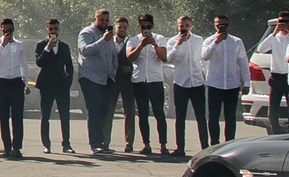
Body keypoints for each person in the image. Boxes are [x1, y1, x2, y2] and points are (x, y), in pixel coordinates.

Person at [122, 14, 168, 154]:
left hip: (155, 80)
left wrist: (154, 45)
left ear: (152, 26)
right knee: (142, 113)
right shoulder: (134, 40)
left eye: (148, 27)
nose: (145, 30)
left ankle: (163, 145)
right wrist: (141, 45)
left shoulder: (160, 39)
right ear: (139, 27)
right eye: (143, 27)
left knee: (159, 112)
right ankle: (146, 144)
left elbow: (164, 58)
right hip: (139, 80)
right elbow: (130, 58)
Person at [200, 15, 248, 146]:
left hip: (232, 83)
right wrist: (216, 42)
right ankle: (215, 143)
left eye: (224, 25)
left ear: (228, 25)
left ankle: (229, 143)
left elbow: (243, 62)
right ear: (214, 25)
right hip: (214, 83)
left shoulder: (236, 41)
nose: (221, 27)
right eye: (218, 25)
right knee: (213, 116)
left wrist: (247, 83)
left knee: (230, 117)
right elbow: (204, 56)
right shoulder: (209, 41)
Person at [76, 10, 118, 155]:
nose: (104, 23)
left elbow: (113, 55)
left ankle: (102, 143)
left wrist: (113, 71)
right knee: (94, 110)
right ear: (95, 19)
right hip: (90, 77)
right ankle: (95, 144)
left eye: (106, 20)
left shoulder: (108, 35)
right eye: (101, 20)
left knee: (104, 111)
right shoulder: (86, 33)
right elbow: (85, 50)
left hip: (106, 78)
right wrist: (103, 40)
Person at [0, 17, 29, 158]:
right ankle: (6, 148)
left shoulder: (19, 45)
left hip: (16, 82)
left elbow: (23, 64)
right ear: (1, 29)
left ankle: (17, 147)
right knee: (3, 116)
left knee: (17, 117)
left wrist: (26, 83)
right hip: (2, 83)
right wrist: (3, 44)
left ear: (13, 29)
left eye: (9, 29)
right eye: (5, 30)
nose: (7, 32)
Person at [165, 14, 204, 157]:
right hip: (181, 82)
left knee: (200, 116)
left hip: (197, 82)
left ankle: (205, 146)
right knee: (180, 116)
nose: (184, 28)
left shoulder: (199, 40)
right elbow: (169, 58)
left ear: (191, 26)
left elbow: (202, 59)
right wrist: (179, 43)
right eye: (181, 26)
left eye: (187, 25)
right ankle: (180, 147)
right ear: (178, 26)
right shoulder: (172, 41)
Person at [33, 19, 74, 152]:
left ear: (59, 30)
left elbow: (69, 67)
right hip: (46, 85)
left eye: (55, 29)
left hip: (61, 85)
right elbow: (39, 63)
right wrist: (48, 48)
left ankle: (66, 144)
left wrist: (67, 82)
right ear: (46, 30)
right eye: (50, 29)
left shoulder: (64, 47)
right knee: (45, 115)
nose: (53, 32)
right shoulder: (40, 45)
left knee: (65, 116)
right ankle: (46, 145)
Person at [262, 15, 289, 134]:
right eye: (280, 22)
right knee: (273, 108)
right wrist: (274, 33)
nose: (282, 24)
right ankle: (275, 132)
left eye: (285, 22)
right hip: (276, 76)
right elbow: (261, 48)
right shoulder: (274, 37)